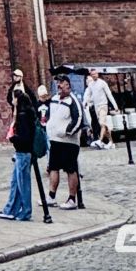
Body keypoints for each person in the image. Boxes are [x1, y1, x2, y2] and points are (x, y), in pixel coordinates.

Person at [0, 69, 37, 221]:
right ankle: (11, 209)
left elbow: (24, 138)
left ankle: (26, 211)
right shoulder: (21, 114)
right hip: (21, 152)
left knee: (23, 184)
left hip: (24, 152)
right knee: (16, 182)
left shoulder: (23, 116)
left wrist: (13, 138)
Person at [46, 76, 82, 209]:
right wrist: (48, 126)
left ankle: (72, 199)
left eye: (62, 83)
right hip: (55, 140)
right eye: (58, 83)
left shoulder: (73, 100)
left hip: (69, 142)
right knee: (53, 167)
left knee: (70, 169)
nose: (59, 86)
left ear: (68, 86)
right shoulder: (54, 99)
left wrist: (67, 131)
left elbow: (78, 119)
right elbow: (50, 116)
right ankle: (51, 196)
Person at [83, 69, 116, 149]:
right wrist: (84, 103)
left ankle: (100, 140)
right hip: (96, 107)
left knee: (101, 123)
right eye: (92, 74)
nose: (94, 75)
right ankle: (111, 142)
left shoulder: (102, 83)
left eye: (95, 74)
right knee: (103, 125)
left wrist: (115, 106)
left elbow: (109, 94)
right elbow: (88, 95)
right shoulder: (91, 85)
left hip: (103, 105)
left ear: (97, 74)